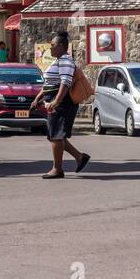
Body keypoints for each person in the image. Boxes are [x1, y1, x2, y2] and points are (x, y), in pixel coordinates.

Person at [30, 31, 91, 179]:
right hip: (54, 102)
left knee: (56, 136)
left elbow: (65, 82)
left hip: (63, 103)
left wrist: (56, 101)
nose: (50, 48)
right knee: (57, 135)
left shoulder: (65, 60)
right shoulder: (57, 60)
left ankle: (57, 169)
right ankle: (79, 157)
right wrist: (38, 99)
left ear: (62, 46)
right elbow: (49, 84)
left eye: (53, 45)